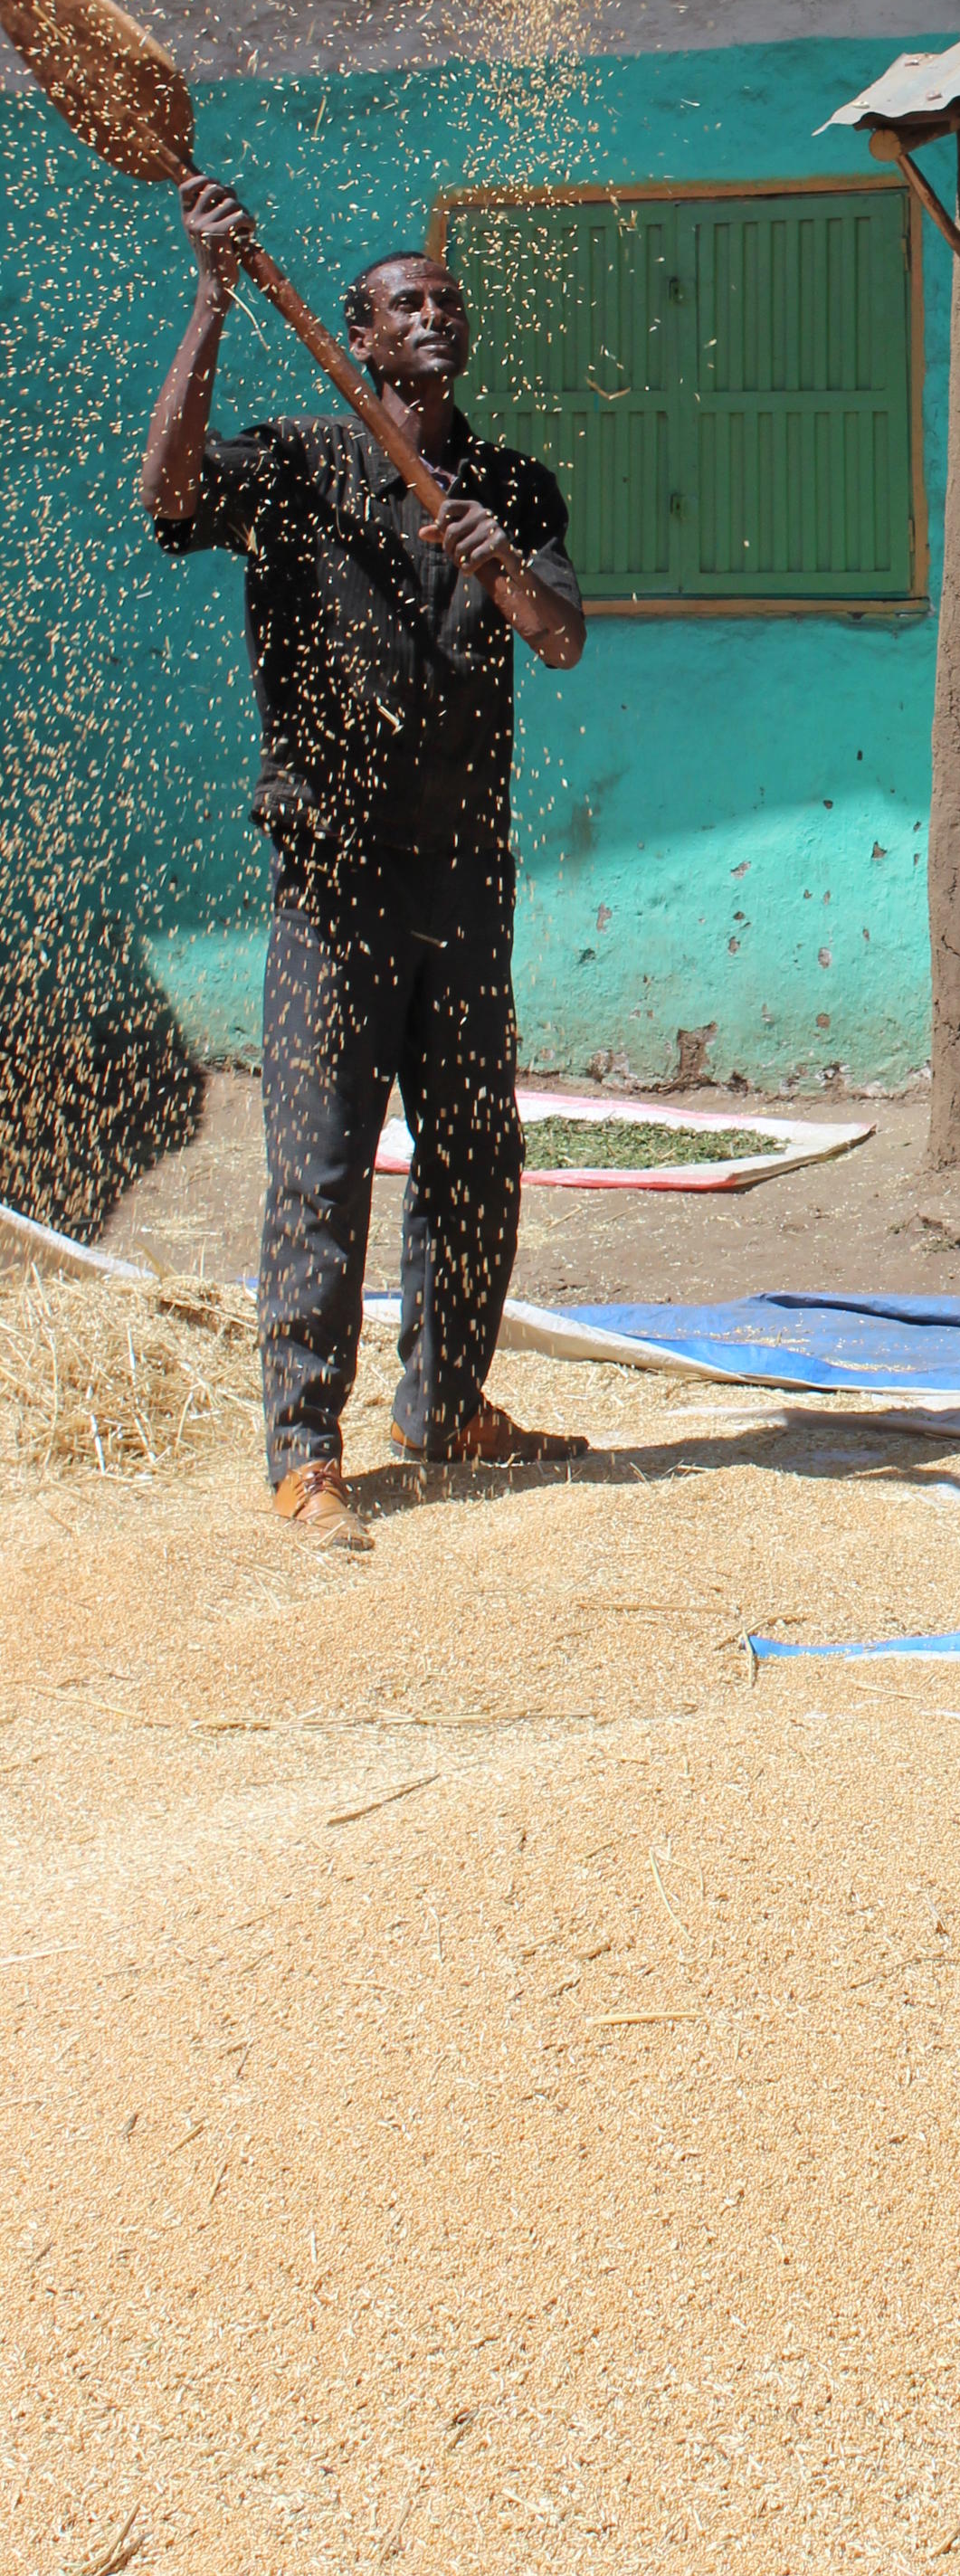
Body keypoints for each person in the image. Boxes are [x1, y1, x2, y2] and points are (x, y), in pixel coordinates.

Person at [139, 176, 592, 1548]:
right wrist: (215, 294)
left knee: (474, 1154)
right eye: (409, 306)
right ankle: (306, 1454)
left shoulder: (511, 483)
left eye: (448, 302)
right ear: (365, 339)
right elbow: (165, 494)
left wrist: (501, 555)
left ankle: (447, 1406)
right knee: (320, 1167)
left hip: (464, 877)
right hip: (331, 881)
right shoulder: (293, 466)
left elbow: (559, 636)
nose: (437, 318)